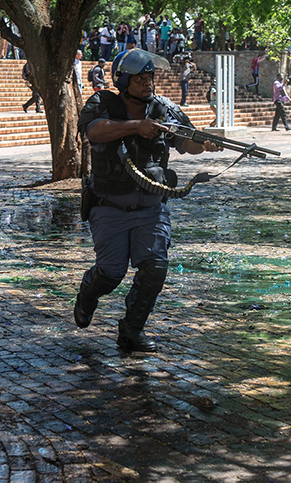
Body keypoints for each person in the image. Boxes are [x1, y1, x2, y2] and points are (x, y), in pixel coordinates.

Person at [73, 49, 221, 352]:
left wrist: (203, 144)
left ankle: (131, 331)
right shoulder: (102, 103)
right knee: (111, 273)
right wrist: (135, 127)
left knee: (155, 268)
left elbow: (187, 144)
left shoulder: (163, 108)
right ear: (124, 80)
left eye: (150, 77)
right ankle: (89, 291)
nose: (147, 83)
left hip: (152, 207)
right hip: (110, 207)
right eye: (140, 78)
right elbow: (94, 132)